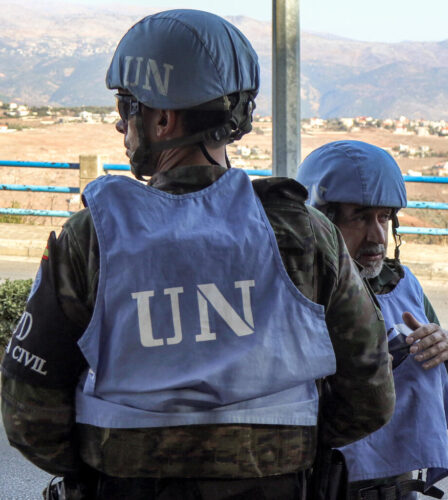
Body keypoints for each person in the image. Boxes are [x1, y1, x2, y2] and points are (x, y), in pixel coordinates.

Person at [1, 10, 394, 499]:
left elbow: (28, 413)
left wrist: (104, 466)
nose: (121, 123)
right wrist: (280, 454)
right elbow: (370, 396)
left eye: (128, 106)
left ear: (162, 119)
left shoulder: (93, 237)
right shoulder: (308, 235)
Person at [297, 140, 448, 499]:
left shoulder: (402, 287)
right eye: (360, 217)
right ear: (320, 222)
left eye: (384, 217)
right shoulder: (298, 293)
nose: (377, 236)